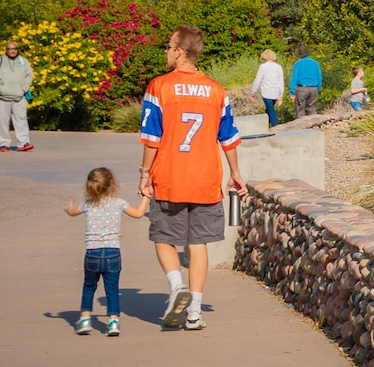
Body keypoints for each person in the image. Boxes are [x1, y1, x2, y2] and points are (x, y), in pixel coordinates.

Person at [137, 25, 248, 331]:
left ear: (180, 52)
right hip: (206, 179)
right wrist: (235, 174)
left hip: (170, 176)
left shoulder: (159, 86)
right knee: (198, 244)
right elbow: (228, 137)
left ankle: (176, 287)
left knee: (163, 238)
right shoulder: (215, 90)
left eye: (169, 46)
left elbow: (151, 137)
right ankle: (195, 311)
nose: (166, 51)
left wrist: (145, 173)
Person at [64, 167, 150, 336]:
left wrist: (69, 209)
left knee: (89, 286)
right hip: (113, 253)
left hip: (92, 253)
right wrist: (146, 197)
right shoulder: (119, 203)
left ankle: (85, 319)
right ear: (113, 186)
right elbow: (139, 214)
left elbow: (73, 212)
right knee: (112, 289)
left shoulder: (88, 205)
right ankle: (113, 322)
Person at [0, 41, 34, 152]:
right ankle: (4, 144)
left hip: (19, 97)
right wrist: (0, 88)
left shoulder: (23, 61)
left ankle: (23, 143)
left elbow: (29, 75)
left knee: (21, 120)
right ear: (6, 50)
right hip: (3, 98)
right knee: (3, 122)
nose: (12, 51)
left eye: (14, 49)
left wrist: (24, 87)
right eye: (10, 49)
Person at [249, 49, 284, 127]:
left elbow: (258, 80)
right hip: (276, 91)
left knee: (270, 110)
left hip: (266, 92)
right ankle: (264, 126)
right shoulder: (278, 67)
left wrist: (253, 92)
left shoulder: (263, 67)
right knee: (269, 109)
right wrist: (280, 95)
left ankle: (275, 126)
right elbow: (281, 81)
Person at [288, 45, 322, 118]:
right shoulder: (315, 63)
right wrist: (318, 88)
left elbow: (294, 78)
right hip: (313, 88)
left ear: (300, 55)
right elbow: (319, 77)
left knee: (300, 110)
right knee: (312, 109)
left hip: (302, 89)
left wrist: (292, 92)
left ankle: (300, 128)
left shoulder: (298, 64)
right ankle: (313, 125)